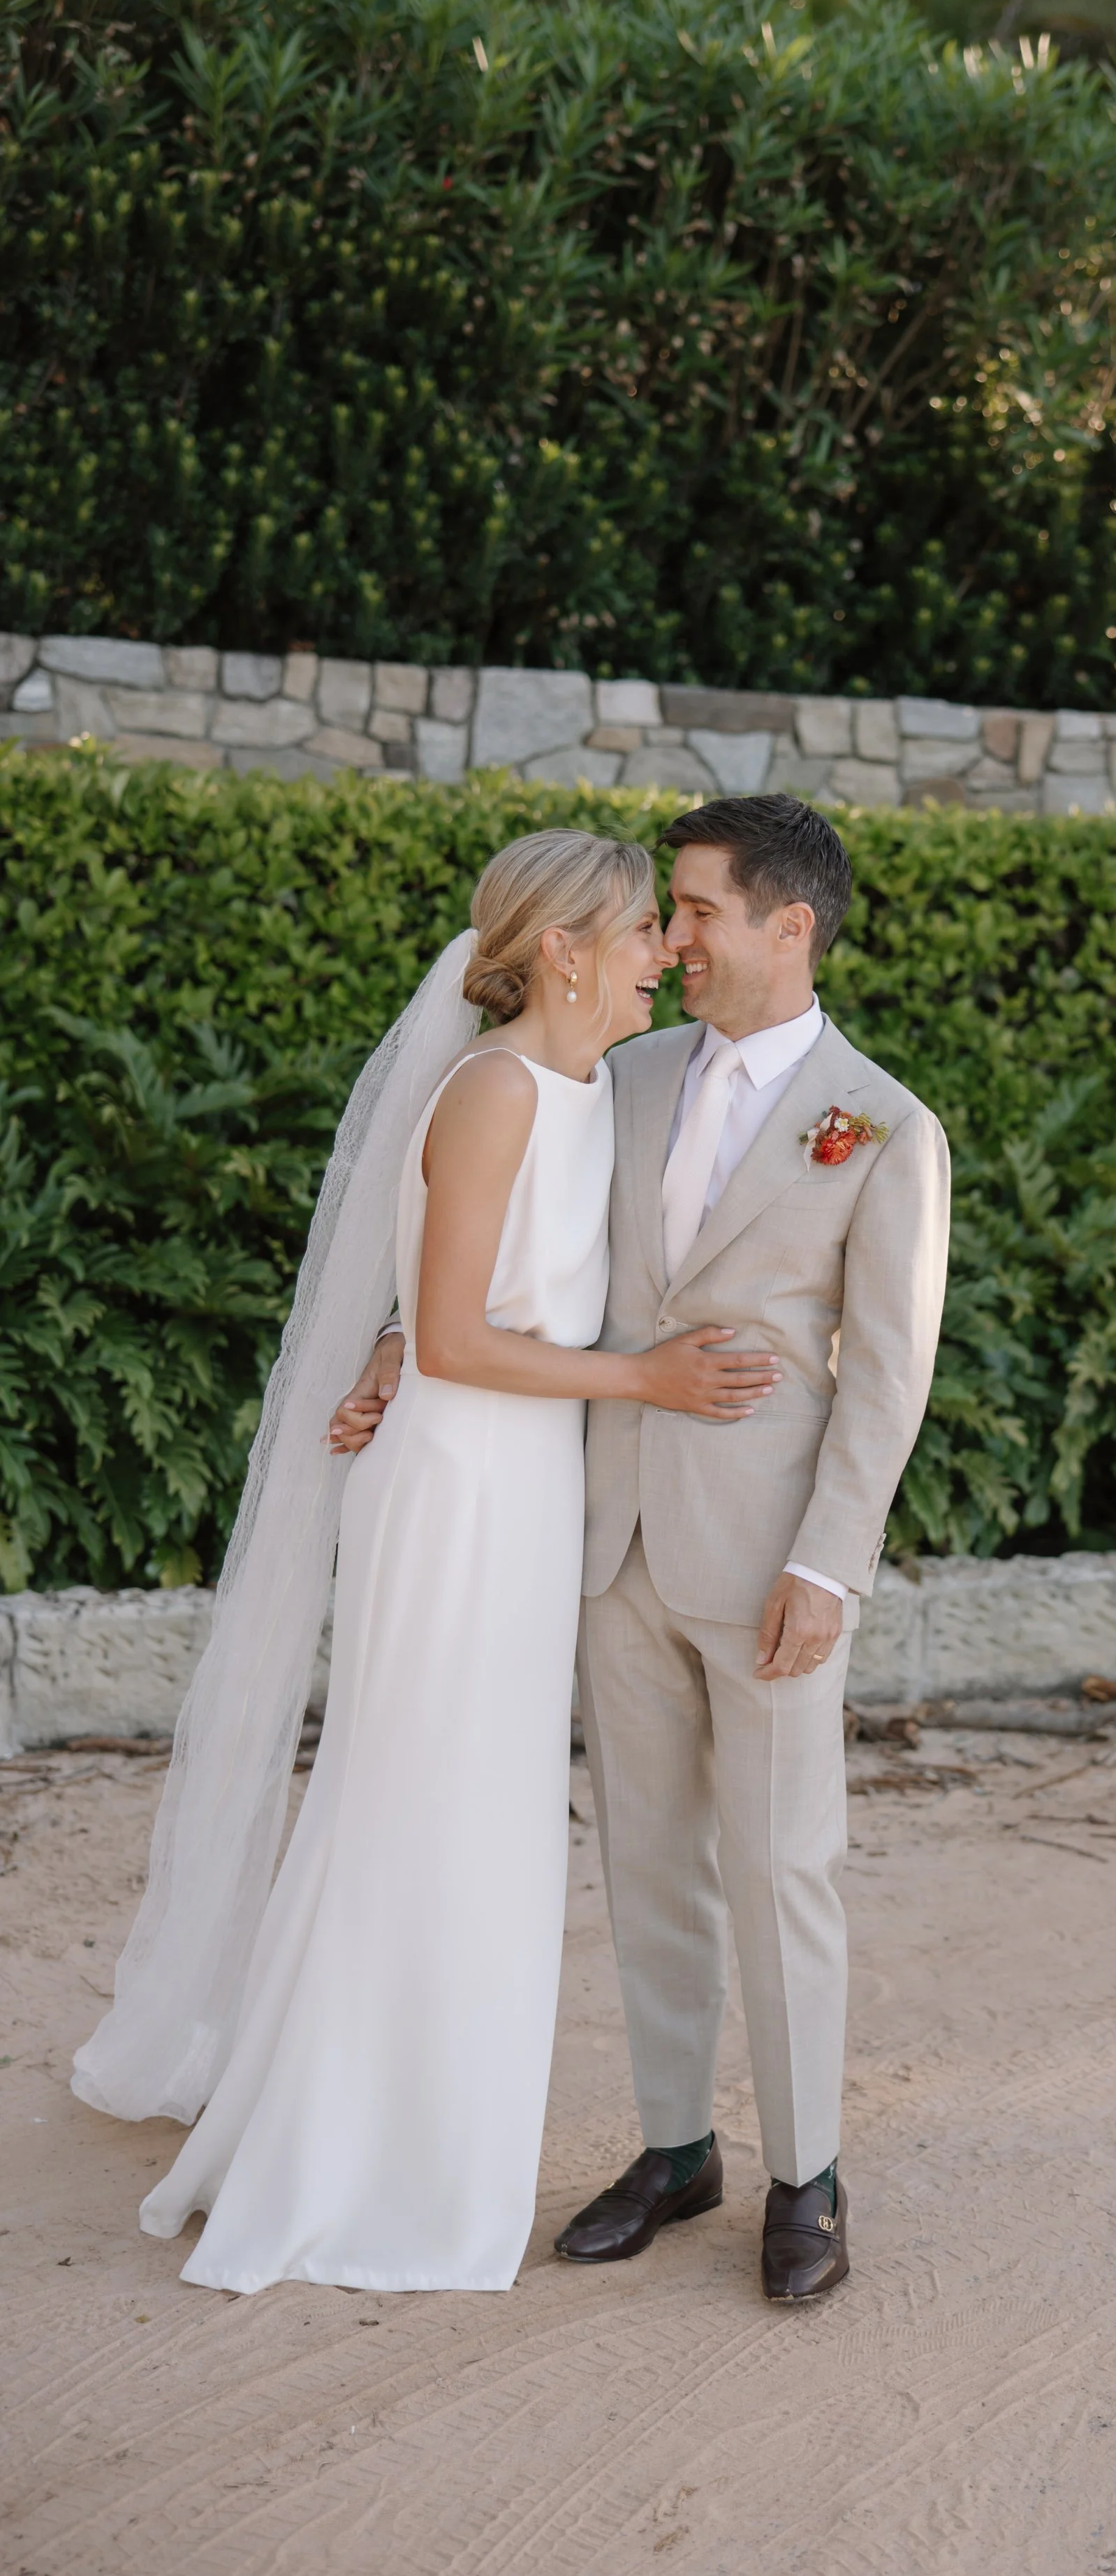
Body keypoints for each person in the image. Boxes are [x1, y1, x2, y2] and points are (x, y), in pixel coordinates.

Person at [74, 828, 782, 2295]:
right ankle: (351, 2152)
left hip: (526, 1486)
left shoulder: (595, 1090)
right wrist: (639, 1380)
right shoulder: (490, 1090)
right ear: (565, 950)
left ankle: (428, 2135)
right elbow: (458, 1336)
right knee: (416, 1798)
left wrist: (402, 1334)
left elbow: (453, 1303)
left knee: (485, 1814)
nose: (665, 952)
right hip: (456, 1487)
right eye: (642, 929)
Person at [335, 794, 951, 2301]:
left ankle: (806, 2174)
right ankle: (677, 2148)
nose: (671, 941)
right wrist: (398, 1341)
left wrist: (830, 1564)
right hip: (606, 1540)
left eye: (696, 912)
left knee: (782, 1867)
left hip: (769, 1568)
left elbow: (887, 1375)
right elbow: (503, 1236)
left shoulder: (884, 1126)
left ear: (788, 927)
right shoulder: (620, 1072)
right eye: (666, 913)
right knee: (650, 1861)